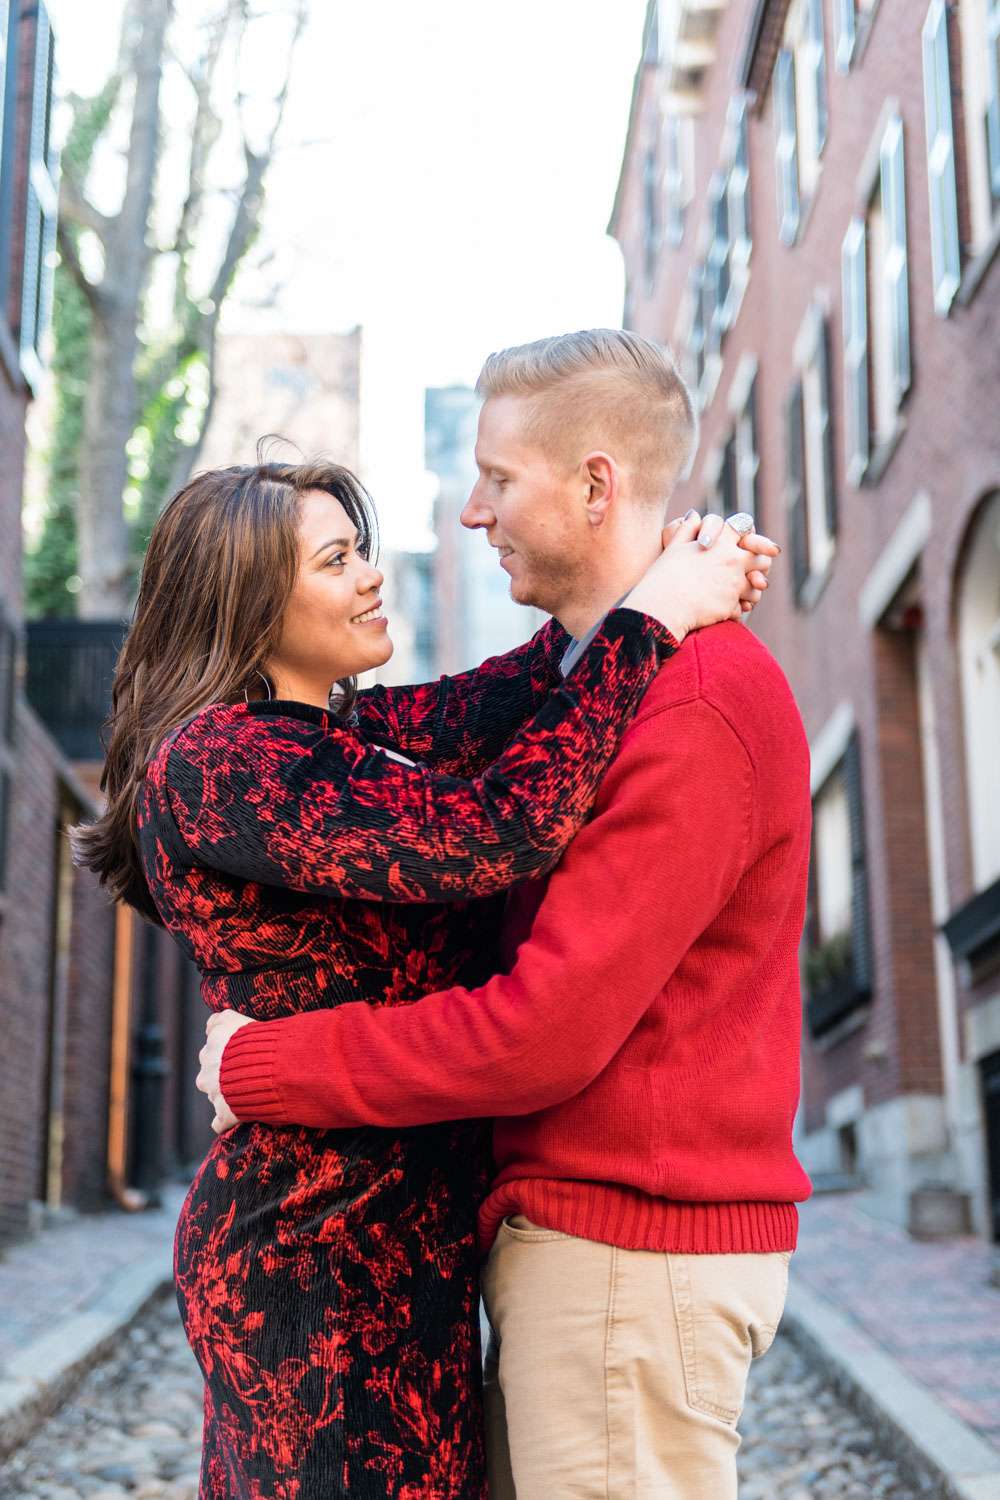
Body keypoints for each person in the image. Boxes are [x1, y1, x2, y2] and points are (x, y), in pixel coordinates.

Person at [75, 440, 771, 1500]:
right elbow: (500, 828)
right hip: (310, 1252)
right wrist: (653, 620)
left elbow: (522, 689)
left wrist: (656, 573)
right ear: (249, 600)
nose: (371, 576)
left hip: (408, 1245)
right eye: (335, 560)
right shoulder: (223, 761)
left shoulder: (336, 733)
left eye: (361, 551)